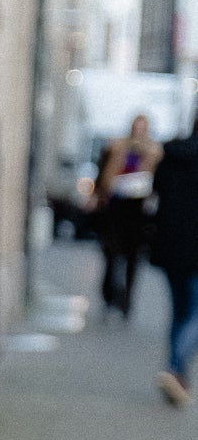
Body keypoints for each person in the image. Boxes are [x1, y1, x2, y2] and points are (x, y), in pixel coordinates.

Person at [93, 113, 162, 318]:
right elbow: (104, 174)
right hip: (117, 205)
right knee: (112, 253)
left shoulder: (153, 152)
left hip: (138, 208)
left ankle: (126, 300)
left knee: (133, 257)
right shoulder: (117, 147)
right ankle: (109, 295)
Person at [150, 118, 198, 408]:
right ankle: (174, 367)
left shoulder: (171, 154)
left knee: (180, 312)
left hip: (170, 247)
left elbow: (155, 193)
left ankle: (178, 376)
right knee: (192, 313)